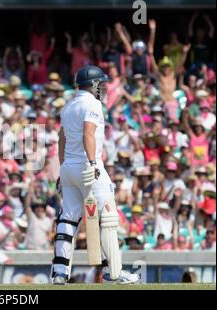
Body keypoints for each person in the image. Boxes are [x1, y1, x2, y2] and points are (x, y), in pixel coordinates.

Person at [52, 65, 139, 285]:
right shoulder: (92, 103)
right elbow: (88, 133)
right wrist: (92, 163)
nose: (103, 87)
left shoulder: (69, 105)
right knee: (108, 216)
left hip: (68, 168)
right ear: (92, 85)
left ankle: (59, 273)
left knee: (68, 220)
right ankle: (114, 272)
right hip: (87, 165)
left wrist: (62, 170)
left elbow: (61, 139)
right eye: (101, 83)